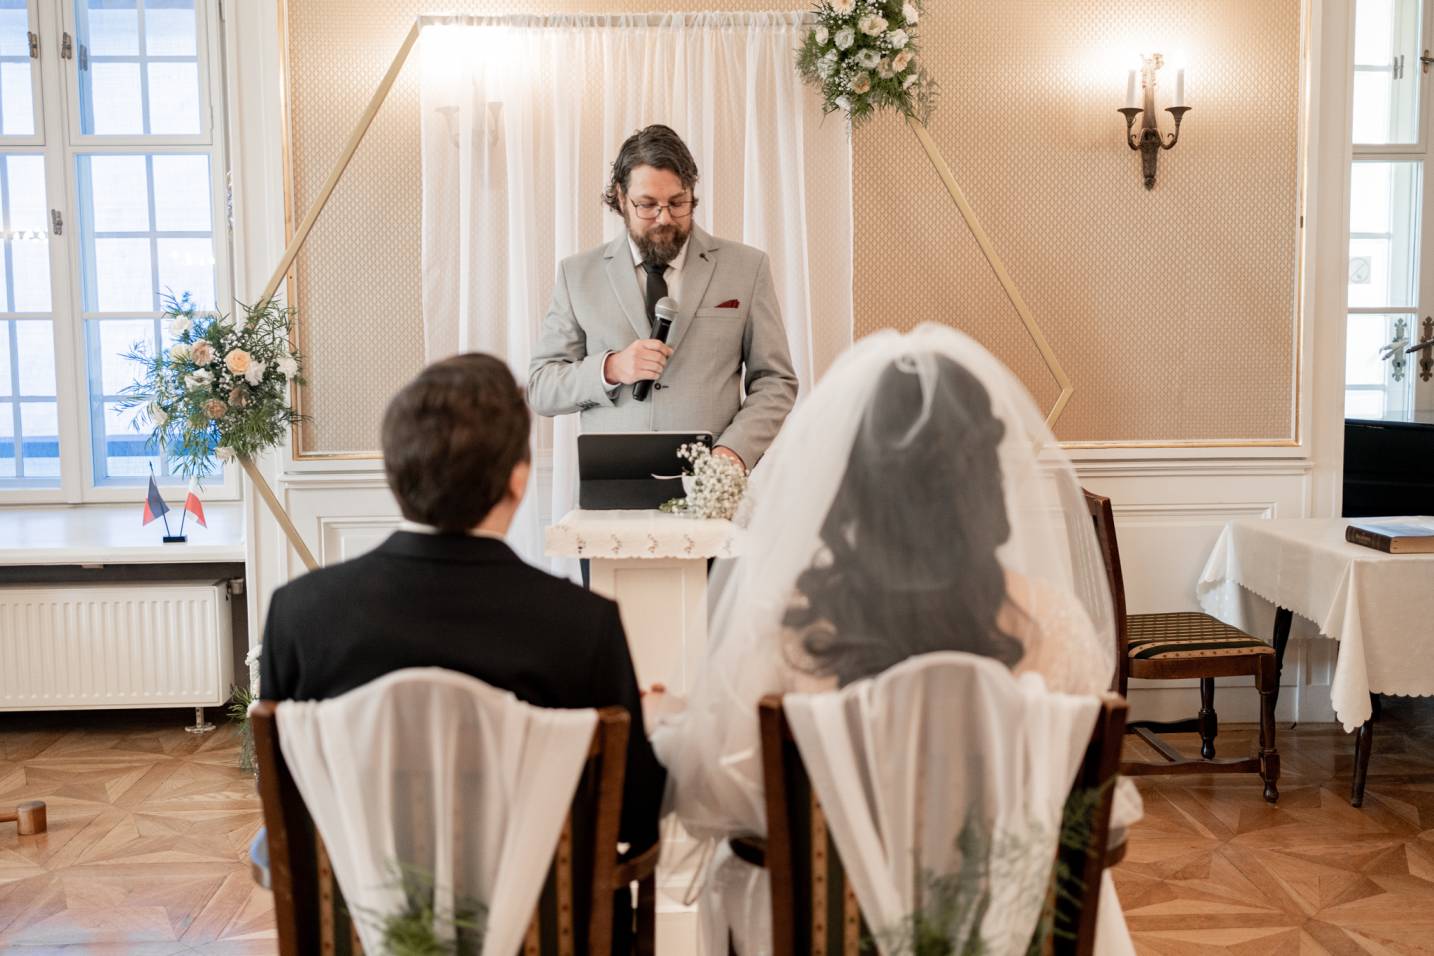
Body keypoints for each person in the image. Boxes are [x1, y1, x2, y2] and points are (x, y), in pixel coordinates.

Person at [647, 325, 1137, 954]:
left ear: (852, 484)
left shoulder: (787, 631)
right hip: (998, 935)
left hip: (829, 934)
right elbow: (1090, 812)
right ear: (985, 482)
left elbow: (716, 803)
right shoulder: (1054, 626)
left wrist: (673, 725)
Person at [260, 353, 665, 856]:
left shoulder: (299, 614)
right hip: (538, 904)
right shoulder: (583, 624)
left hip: (358, 905)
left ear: (394, 471)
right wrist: (651, 726)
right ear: (518, 479)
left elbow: (287, 801)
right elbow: (633, 814)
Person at [528, 124, 798, 473]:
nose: (665, 217)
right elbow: (542, 388)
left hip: (710, 484)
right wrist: (611, 368)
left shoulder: (747, 268)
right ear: (621, 198)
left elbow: (775, 381)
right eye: (647, 205)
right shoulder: (577, 274)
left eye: (677, 203)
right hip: (613, 484)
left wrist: (734, 451)